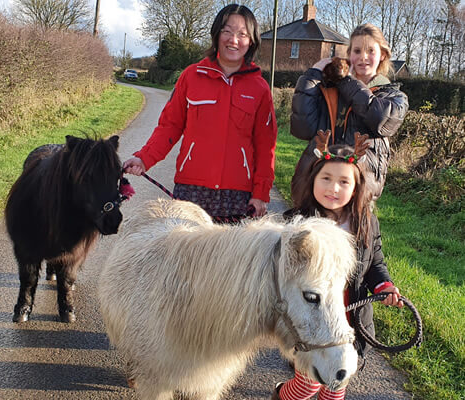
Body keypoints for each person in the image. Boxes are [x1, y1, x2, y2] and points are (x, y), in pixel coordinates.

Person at [275, 132, 403, 400]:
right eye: (326, 179)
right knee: (306, 386)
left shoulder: (365, 224)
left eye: (343, 181)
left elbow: (375, 262)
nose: (333, 188)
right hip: (311, 316)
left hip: (349, 316)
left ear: (356, 187)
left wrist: (385, 285)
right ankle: (281, 395)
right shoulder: (296, 223)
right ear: (312, 181)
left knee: (336, 384)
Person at [123, 4, 277, 222]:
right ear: (216, 35)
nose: (233, 40)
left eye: (242, 34)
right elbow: (169, 126)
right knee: (185, 256)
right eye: (227, 31)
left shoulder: (260, 88)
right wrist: (143, 158)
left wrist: (261, 193)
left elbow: (266, 145)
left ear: (251, 40)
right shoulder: (191, 76)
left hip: (238, 195)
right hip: (191, 190)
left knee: (231, 257)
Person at [290, 23, 408, 205]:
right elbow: (302, 128)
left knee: (353, 233)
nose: (363, 57)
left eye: (371, 51)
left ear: (382, 55)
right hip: (320, 184)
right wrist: (312, 75)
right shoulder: (330, 89)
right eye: (357, 51)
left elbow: (380, 119)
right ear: (349, 55)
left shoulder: (393, 96)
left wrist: (346, 81)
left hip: (359, 189)